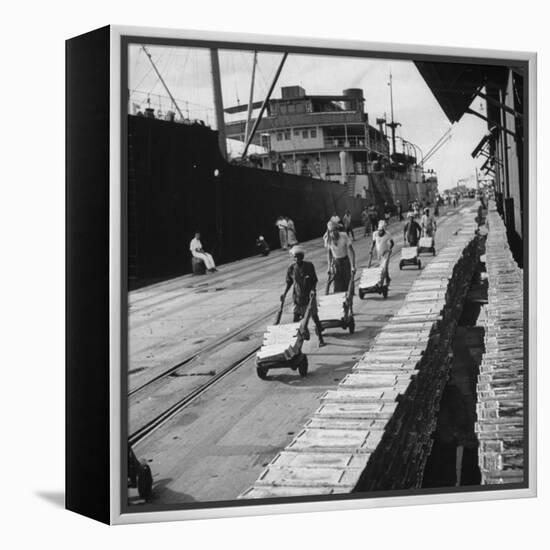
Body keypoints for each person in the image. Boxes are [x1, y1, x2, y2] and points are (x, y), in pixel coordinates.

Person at [282, 246, 325, 346]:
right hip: (297, 298)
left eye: (299, 257)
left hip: (309, 298)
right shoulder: (291, 268)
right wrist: (284, 294)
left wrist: (313, 290)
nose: (297, 259)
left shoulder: (309, 266)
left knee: (315, 319)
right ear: (293, 258)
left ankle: (321, 340)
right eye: (295, 257)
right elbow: (289, 283)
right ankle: (294, 344)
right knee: (295, 322)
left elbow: (314, 280)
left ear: (303, 256)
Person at [324, 221, 356, 293]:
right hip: (336, 263)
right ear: (329, 232)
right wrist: (329, 267)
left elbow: (351, 251)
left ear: (337, 230)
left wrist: (353, 266)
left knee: (348, 283)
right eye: (331, 231)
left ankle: (348, 299)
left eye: (335, 230)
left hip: (345, 261)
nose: (333, 233)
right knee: (337, 284)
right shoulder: (328, 239)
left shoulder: (344, 236)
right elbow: (329, 254)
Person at [370, 220, 394, 286]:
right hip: (379, 254)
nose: (380, 232)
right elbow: (373, 243)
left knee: (385, 267)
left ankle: (384, 281)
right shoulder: (375, 234)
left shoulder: (387, 234)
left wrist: (389, 249)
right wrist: (371, 249)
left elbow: (392, 243)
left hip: (386, 253)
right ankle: (388, 278)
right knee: (381, 268)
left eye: (382, 231)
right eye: (379, 231)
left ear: (384, 230)